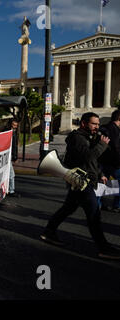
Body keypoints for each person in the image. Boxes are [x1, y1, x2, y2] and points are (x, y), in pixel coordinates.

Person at [40, 112, 120, 260]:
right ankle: (103, 248)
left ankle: (49, 231)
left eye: (97, 124)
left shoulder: (89, 137)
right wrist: (102, 145)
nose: (97, 127)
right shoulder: (77, 138)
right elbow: (89, 156)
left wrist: (100, 173)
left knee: (68, 208)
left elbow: (92, 163)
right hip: (81, 181)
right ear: (84, 123)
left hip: (83, 180)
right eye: (93, 124)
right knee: (94, 214)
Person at [98, 109, 120, 213]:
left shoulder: (104, 128)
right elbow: (116, 147)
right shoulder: (115, 130)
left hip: (103, 160)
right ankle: (117, 205)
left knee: (102, 183)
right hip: (114, 162)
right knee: (116, 182)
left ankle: (98, 204)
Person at [4, 118, 20, 197]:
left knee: (9, 173)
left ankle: (8, 189)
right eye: (14, 125)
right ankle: (11, 190)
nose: (15, 127)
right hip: (6, 156)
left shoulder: (14, 132)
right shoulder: (7, 132)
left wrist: (15, 156)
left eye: (16, 125)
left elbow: (14, 146)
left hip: (10, 156)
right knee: (11, 174)